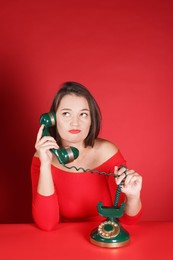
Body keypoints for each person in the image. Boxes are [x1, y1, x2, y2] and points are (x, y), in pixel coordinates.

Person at [31, 81, 142, 231]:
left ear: (91, 120)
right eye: (66, 114)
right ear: (52, 120)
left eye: (83, 114)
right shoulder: (41, 158)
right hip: (64, 241)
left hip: (105, 235)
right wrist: (45, 165)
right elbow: (47, 224)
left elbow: (130, 221)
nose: (75, 122)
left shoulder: (107, 153)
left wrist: (133, 197)